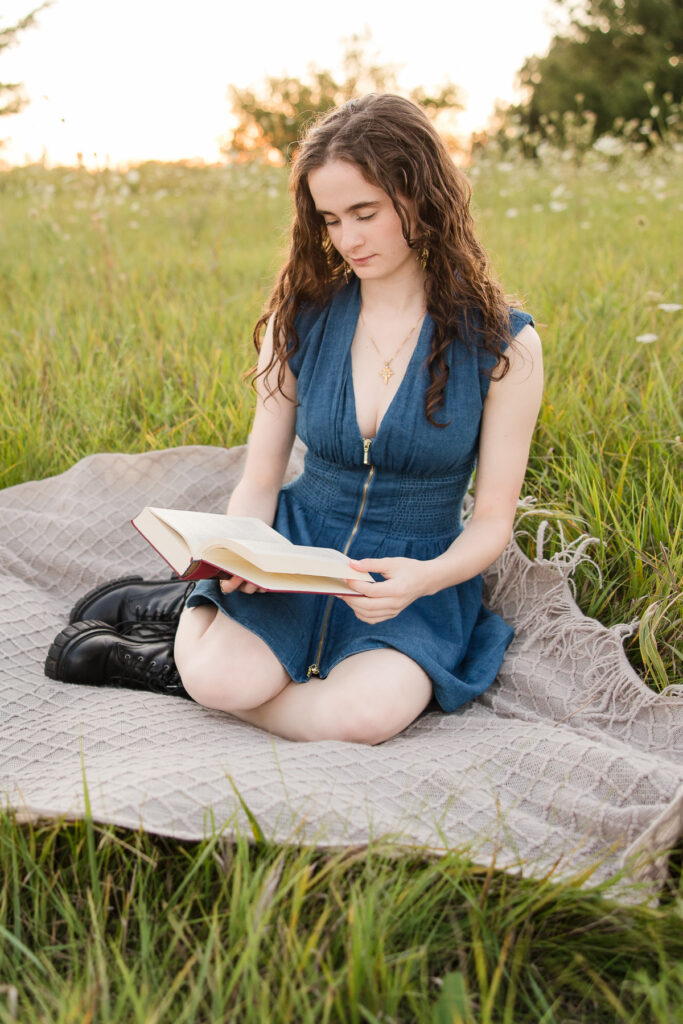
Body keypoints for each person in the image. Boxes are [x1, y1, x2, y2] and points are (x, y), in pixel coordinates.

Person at [46, 94, 543, 745]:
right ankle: (194, 632)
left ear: (420, 196)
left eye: (365, 213)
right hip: (293, 549)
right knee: (226, 681)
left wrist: (422, 579)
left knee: (359, 718)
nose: (348, 239)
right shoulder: (299, 318)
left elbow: (491, 524)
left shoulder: (504, 345)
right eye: (331, 219)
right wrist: (240, 551)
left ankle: (172, 659)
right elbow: (260, 476)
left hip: (410, 573)